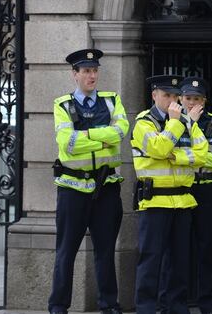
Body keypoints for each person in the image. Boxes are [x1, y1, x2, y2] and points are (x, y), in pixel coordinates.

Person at [48, 48, 129, 314]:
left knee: (105, 251)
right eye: (86, 71)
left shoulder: (111, 100)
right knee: (66, 251)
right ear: (75, 75)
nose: (91, 75)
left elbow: (120, 133)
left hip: (106, 187)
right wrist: (101, 136)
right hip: (73, 188)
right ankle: (58, 306)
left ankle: (109, 305)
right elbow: (66, 144)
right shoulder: (63, 105)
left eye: (94, 70)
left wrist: (85, 135)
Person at [131, 75, 207, 314]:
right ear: (154, 96)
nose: (173, 101)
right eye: (167, 96)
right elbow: (157, 148)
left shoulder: (186, 121)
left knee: (178, 262)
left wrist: (176, 156)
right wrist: (174, 125)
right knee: (150, 260)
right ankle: (145, 309)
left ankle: (175, 308)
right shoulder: (145, 122)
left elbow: (202, 153)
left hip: (183, 201)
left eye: (175, 96)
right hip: (155, 201)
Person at [157, 77, 212, 314]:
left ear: (204, 101)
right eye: (187, 98)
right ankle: (172, 304)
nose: (191, 103)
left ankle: (207, 305)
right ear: (180, 98)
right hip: (181, 189)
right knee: (176, 249)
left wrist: (185, 156)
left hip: (206, 188)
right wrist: (196, 156)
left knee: (207, 248)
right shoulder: (170, 121)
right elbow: (163, 150)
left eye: (196, 99)